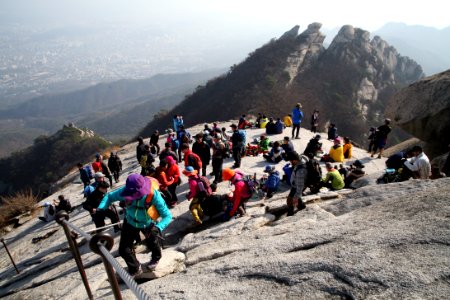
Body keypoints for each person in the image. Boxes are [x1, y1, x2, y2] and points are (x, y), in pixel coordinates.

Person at [97, 174, 172, 276]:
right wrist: (101, 208)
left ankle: (156, 258)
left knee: (153, 243)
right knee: (123, 249)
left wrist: (158, 227)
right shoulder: (125, 191)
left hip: (147, 224)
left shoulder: (153, 195)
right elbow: (109, 196)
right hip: (130, 221)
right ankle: (135, 268)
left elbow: (167, 215)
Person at [285, 151, 308, 216]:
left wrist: (296, 197)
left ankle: (290, 214)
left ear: (294, 160)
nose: (290, 162)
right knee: (297, 197)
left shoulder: (300, 170)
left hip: (297, 185)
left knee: (290, 200)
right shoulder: (302, 159)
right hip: (298, 183)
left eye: (290, 160)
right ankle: (301, 206)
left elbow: (300, 185)